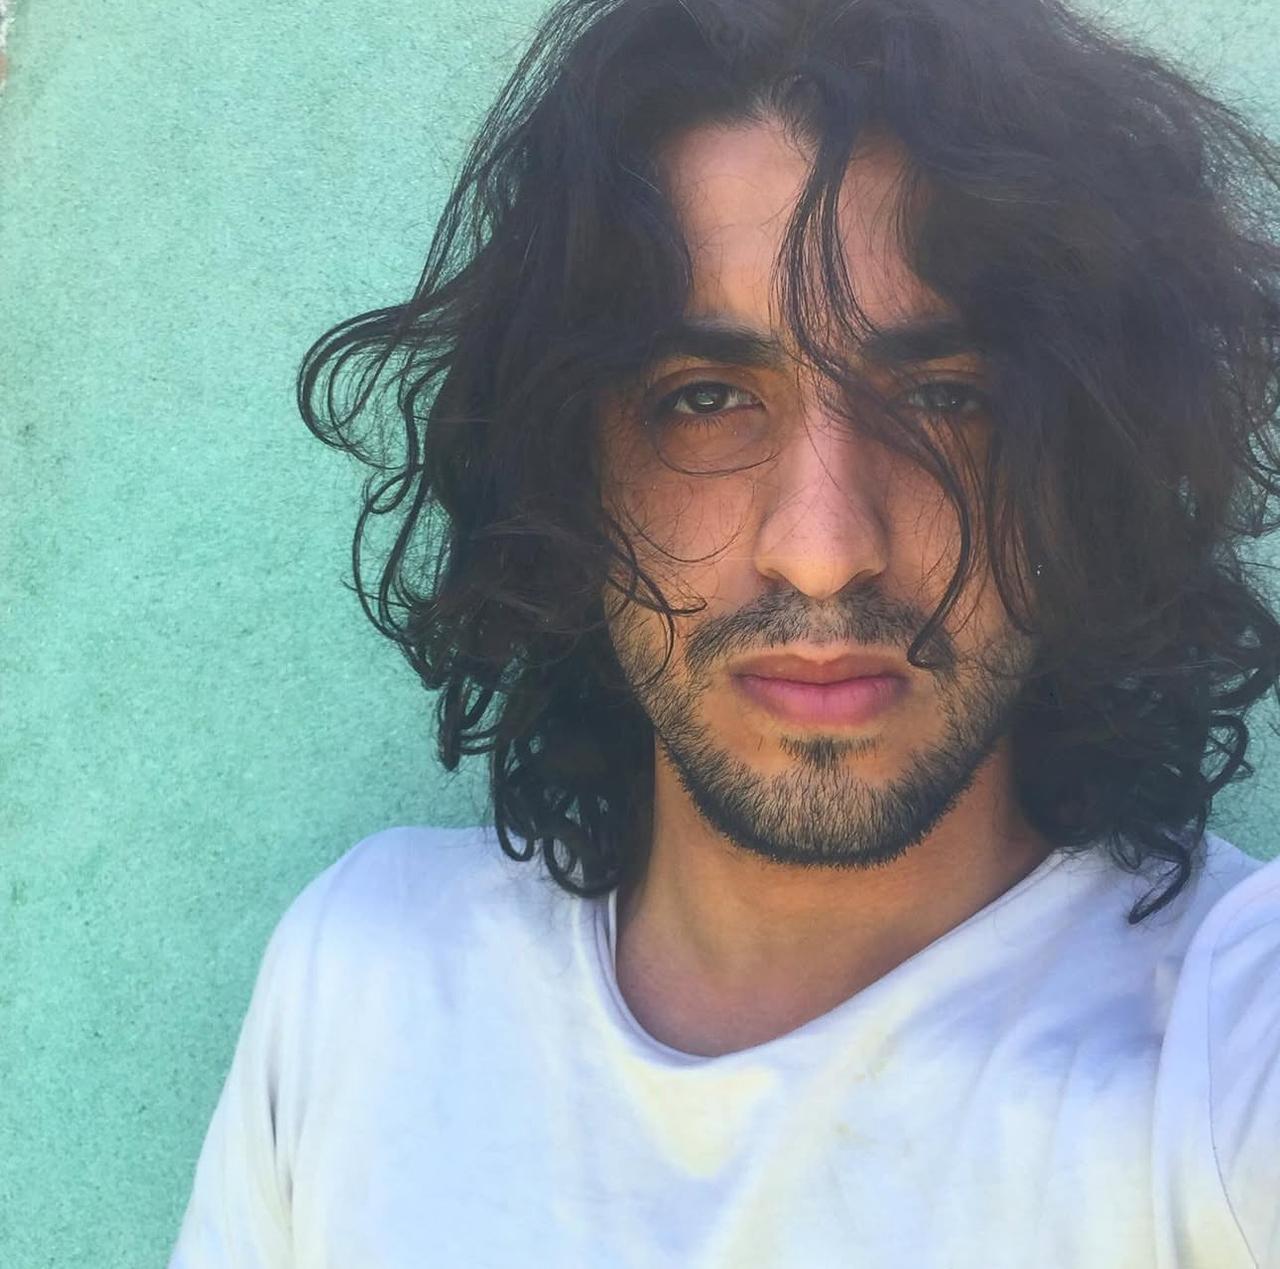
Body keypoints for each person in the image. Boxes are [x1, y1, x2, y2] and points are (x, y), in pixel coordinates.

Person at [169, 0, 1280, 1263]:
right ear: (564, 465)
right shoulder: (363, 983)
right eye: (702, 399)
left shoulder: (1218, 1052)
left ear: (1084, 464)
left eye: (945, 399)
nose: (821, 548)